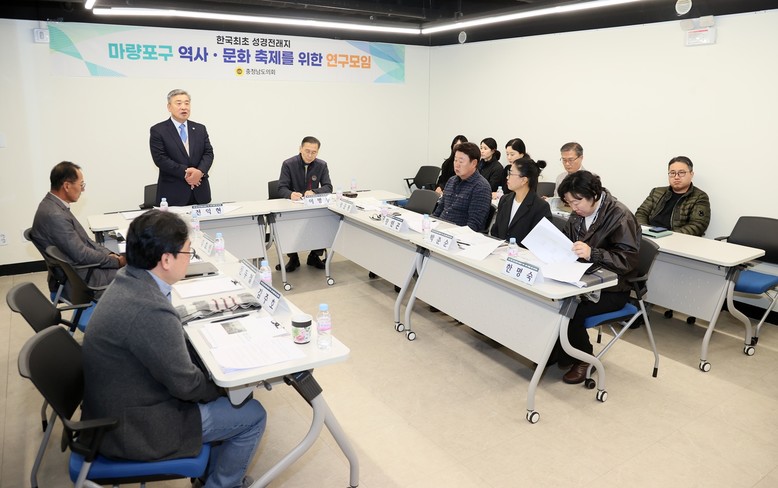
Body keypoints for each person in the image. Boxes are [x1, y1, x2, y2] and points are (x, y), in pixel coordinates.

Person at [82, 210, 266, 488]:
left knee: (227, 390)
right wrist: (224, 387)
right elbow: (187, 387)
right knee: (252, 414)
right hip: (133, 428)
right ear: (166, 260)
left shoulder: (128, 280)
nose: (189, 260)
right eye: (187, 254)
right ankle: (221, 484)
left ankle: (209, 476)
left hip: (114, 409)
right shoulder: (149, 308)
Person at [555, 170, 640, 384]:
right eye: (569, 203)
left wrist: (593, 253)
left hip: (613, 288)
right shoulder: (579, 213)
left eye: (577, 201)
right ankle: (563, 352)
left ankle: (585, 359)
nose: (574, 208)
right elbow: (567, 242)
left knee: (569, 311)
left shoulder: (620, 216)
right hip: (582, 281)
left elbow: (628, 261)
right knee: (549, 301)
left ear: (594, 194)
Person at [30, 161, 125, 299]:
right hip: (81, 278)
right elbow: (81, 254)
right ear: (67, 186)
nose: (83, 190)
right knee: (137, 276)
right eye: (81, 185)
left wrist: (111, 254)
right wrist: (116, 262)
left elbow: (86, 242)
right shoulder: (55, 215)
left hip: (80, 270)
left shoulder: (54, 205)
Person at [277, 136, 333, 271]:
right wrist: (290, 194)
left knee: (323, 221)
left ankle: (314, 256)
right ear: (300, 149)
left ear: (318, 152)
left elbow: (328, 187)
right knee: (287, 226)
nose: (310, 155)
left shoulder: (321, 165)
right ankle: (293, 258)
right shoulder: (288, 164)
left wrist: (314, 191)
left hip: (312, 207)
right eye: (307, 151)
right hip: (292, 207)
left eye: (314, 152)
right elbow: (281, 188)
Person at [150, 89, 214, 206]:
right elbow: (160, 159)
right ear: (169, 107)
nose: (184, 107)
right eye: (179, 103)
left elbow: (208, 153)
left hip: (200, 192)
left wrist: (199, 172)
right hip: (173, 194)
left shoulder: (200, 129)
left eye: (187, 103)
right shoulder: (158, 130)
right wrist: (186, 173)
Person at [635, 156, 710, 236]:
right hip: (650, 236)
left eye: (681, 173)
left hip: (677, 241)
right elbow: (641, 213)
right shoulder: (656, 192)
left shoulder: (700, 197)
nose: (676, 177)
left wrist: (668, 235)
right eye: (672, 173)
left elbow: (697, 225)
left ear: (691, 174)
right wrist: (646, 231)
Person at [490, 157, 552, 245]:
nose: (507, 177)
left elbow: (540, 241)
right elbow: (495, 231)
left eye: (511, 173)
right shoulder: (505, 200)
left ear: (524, 180)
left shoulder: (540, 207)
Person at [432, 141, 492, 231]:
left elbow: (474, 225)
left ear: (474, 163)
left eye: (461, 161)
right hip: (440, 231)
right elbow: (439, 211)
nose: (457, 165)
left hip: (459, 236)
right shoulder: (451, 181)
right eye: (455, 160)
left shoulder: (481, 187)